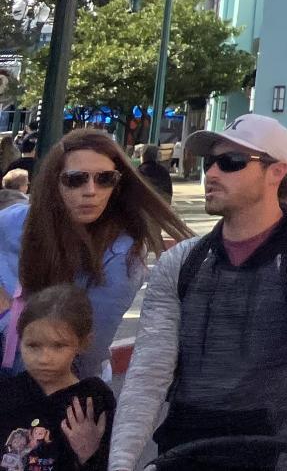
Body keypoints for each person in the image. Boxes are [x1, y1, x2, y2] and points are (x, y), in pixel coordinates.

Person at [108, 114, 287, 471]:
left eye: (232, 162)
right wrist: (121, 464)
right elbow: (148, 373)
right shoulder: (181, 261)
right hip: (184, 452)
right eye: (210, 162)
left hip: (271, 454)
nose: (212, 173)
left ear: (277, 172)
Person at [0, 130, 189, 382]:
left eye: (105, 179)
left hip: (62, 394)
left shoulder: (123, 254)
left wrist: (7, 314)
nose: (91, 190)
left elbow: (82, 356)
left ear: (118, 184)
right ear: (53, 182)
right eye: (75, 179)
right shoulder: (14, 223)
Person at [0, 285, 115, 471]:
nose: (44, 358)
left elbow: (111, 462)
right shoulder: (9, 392)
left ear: (82, 343)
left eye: (58, 346)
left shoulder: (92, 400)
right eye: (33, 346)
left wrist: (90, 454)